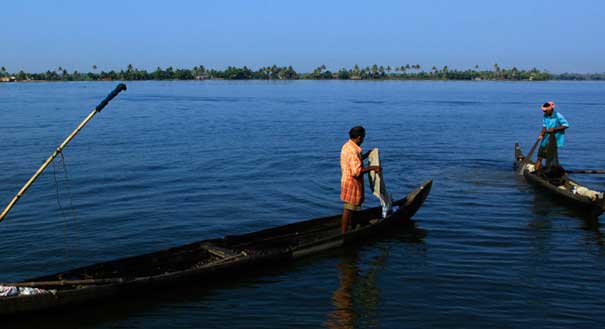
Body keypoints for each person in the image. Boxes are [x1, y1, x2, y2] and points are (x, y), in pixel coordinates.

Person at [340, 126, 381, 234]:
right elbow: (356, 171)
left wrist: (367, 155)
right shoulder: (353, 151)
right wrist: (374, 168)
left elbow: (355, 161)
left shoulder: (347, 146)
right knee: (348, 208)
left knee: (352, 207)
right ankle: (344, 233)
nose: (363, 140)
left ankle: (352, 225)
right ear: (359, 138)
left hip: (346, 180)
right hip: (351, 183)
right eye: (363, 138)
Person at [535, 101, 569, 171]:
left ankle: (551, 171)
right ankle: (536, 171)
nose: (544, 113)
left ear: (550, 110)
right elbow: (544, 126)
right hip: (545, 139)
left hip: (554, 140)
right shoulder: (545, 116)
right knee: (540, 156)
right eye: (543, 111)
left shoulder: (558, 115)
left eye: (545, 111)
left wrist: (555, 129)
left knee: (550, 157)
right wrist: (541, 134)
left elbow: (566, 125)